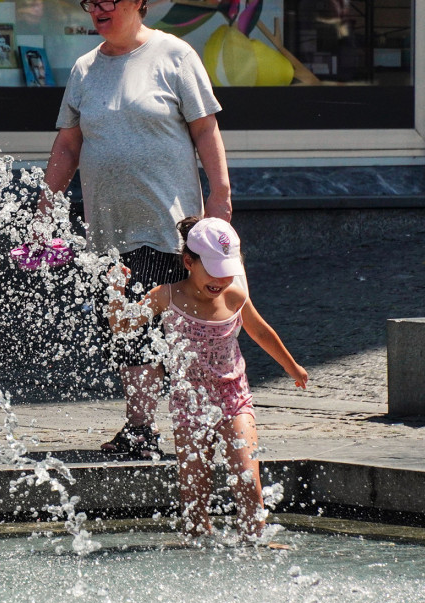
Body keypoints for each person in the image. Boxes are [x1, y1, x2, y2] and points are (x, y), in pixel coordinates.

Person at [34, 0, 232, 457]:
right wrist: (46, 207)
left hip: (168, 224)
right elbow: (68, 146)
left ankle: (178, 428)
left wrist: (220, 198)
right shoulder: (85, 68)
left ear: (140, 0)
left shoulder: (174, 56)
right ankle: (150, 429)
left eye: (110, 0)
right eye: (91, 1)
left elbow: (205, 129)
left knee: (167, 328)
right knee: (129, 328)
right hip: (110, 227)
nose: (98, 10)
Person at [106, 217, 308, 539]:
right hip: (189, 401)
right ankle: (197, 544)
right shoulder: (166, 296)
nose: (220, 280)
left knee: (246, 477)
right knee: (195, 492)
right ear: (188, 262)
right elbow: (123, 325)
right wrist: (116, 290)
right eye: (212, 270)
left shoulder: (234, 296)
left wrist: (291, 366)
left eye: (226, 271)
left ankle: (255, 540)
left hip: (233, 395)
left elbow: (259, 331)